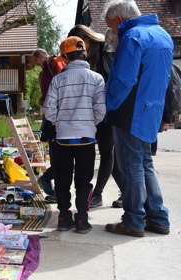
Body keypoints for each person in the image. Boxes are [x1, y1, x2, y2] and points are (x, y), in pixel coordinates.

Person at [103, 0, 172, 237]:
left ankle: (133, 221)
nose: (112, 32)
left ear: (120, 20)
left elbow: (123, 79)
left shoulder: (132, 36)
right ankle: (158, 218)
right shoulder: (163, 35)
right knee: (145, 164)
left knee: (131, 167)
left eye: (111, 26)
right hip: (150, 110)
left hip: (129, 112)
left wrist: (108, 106)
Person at [43, 36, 106, 234]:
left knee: (62, 178)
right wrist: (89, 124)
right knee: (84, 180)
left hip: (63, 138)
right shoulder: (96, 79)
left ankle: (64, 217)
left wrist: (60, 122)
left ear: (65, 56)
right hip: (86, 138)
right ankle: (82, 221)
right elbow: (101, 110)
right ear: (84, 53)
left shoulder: (58, 80)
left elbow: (49, 110)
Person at [68, 24, 123, 209]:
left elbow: (114, 81)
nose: (78, 49)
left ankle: (97, 195)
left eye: (79, 44)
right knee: (109, 153)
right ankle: (127, 191)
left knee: (107, 152)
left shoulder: (105, 51)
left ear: (87, 38)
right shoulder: (90, 55)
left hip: (109, 109)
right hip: (96, 111)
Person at [32, 48, 66, 203]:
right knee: (56, 154)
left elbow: (61, 84)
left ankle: (48, 181)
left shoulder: (53, 63)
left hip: (58, 115)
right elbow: (47, 91)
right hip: (51, 114)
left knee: (61, 156)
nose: (35, 64)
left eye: (35, 60)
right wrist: (42, 100)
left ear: (40, 56)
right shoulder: (44, 72)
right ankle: (54, 190)